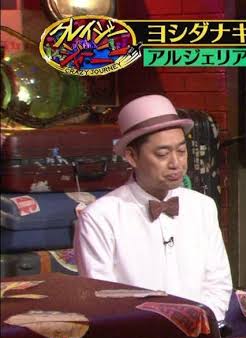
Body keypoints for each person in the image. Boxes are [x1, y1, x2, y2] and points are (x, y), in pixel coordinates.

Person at [74, 94, 232, 321]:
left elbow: (218, 283)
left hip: (200, 332)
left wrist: (196, 325)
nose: (176, 163)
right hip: (133, 337)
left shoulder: (203, 207)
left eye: (181, 151)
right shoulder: (100, 217)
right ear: (131, 156)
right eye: (162, 154)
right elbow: (101, 298)